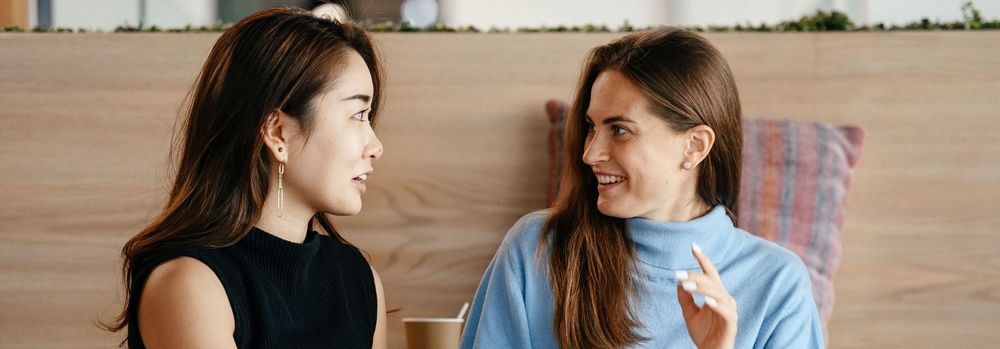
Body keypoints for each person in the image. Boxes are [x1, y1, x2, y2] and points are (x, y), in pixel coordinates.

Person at [461, 27, 824, 349]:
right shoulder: (537, 248)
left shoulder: (777, 285)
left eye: (619, 129)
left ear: (695, 146)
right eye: (592, 126)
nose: (590, 153)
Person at [101, 8, 387, 348]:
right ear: (278, 133)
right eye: (357, 114)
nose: (375, 147)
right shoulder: (190, 284)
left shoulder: (357, 278)